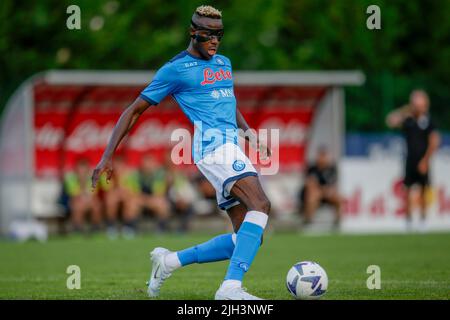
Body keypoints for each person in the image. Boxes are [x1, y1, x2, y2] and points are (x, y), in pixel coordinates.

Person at [91, 5, 272, 300]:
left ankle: (169, 261)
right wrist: (107, 156)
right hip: (214, 148)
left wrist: (249, 132)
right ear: (193, 33)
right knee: (261, 205)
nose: (214, 41)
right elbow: (134, 110)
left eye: (219, 35)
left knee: (249, 236)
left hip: (231, 146)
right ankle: (230, 289)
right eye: (208, 35)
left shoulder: (223, 62)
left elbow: (228, 100)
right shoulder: (175, 69)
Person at [386, 89, 440, 231]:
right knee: (408, 190)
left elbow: (434, 141)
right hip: (409, 160)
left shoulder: (429, 121)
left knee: (423, 190)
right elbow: (390, 121)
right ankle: (408, 221)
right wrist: (406, 109)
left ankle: (423, 220)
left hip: (423, 161)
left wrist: (426, 160)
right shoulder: (408, 120)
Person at [299, 147, 342, 228]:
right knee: (312, 196)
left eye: (324, 156)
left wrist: (323, 190)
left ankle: (337, 222)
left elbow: (332, 186)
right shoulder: (312, 168)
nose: (322, 159)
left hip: (327, 195)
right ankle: (308, 221)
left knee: (339, 199)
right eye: (320, 156)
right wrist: (322, 190)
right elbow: (310, 184)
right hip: (314, 194)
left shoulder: (332, 169)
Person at [100, 155, 141, 239]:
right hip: (114, 199)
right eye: (116, 165)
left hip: (126, 199)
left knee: (132, 201)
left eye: (120, 165)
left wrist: (123, 190)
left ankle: (128, 227)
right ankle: (111, 227)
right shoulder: (107, 174)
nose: (118, 168)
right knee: (111, 199)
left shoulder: (130, 175)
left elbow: (135, 191)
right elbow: (107, 190)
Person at [64, 158, 103, 233]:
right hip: (76, 202)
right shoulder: (70, 179)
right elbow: (74, 196)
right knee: (77, 205)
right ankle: (77, 228)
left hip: (89, 202)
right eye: (80, 169)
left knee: (96, 205)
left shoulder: (93, 178)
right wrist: (82, 181)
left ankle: (95, 227)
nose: (82, 172)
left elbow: (93, 195)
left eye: (84, 170)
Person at [138, 154, 171, 232]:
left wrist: (145, 200)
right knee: (132, 203)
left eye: (149, 163)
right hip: (141, 201)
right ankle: (129, 229)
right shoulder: (137, 174)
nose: (147, 166)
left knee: (161, 204)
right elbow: (133, 193)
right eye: (145, 163)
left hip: (150, 201)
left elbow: (158, 194)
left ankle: (161, 229)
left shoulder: (159, 176)